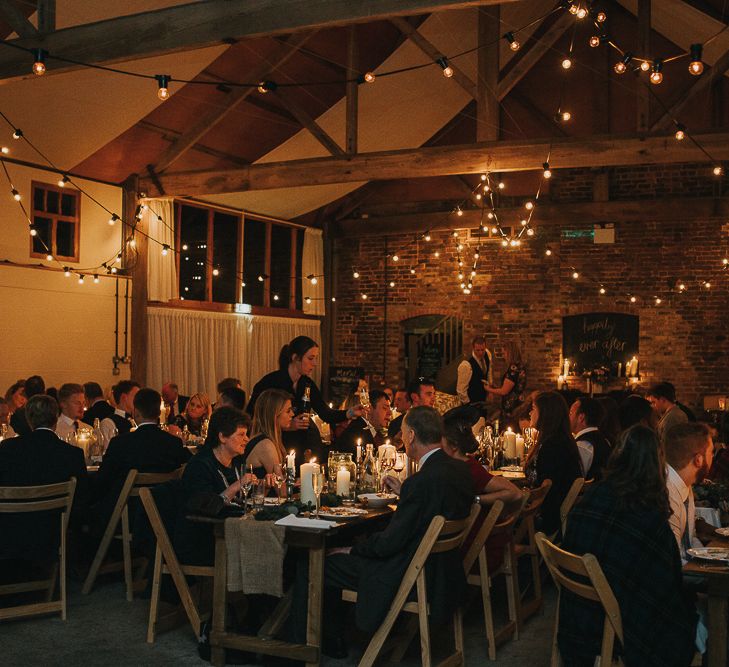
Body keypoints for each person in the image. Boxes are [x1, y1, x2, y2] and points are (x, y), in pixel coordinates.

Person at [292, 406, 474, 651]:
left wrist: (353, 549)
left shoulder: (422, 481)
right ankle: (334, 637)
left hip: (412, 573)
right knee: (339, 552)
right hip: (444, 570)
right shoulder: (460, 470)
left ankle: (304, 645)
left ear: (410, 436)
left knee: (314, 563)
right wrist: (406, 492)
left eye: (403, 434)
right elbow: (434, 503)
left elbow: (390, 543)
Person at [558, 425, 698, 667]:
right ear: (658, 466)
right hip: (614, 620)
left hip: (577, 613)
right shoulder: (647, 519)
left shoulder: (592, 496)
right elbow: (667, 585)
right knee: (686, 618)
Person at [247, 336, 364, 467]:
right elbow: (253, 417)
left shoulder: (307, 384)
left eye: (315, 358)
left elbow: (325, 412)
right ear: (295, 358)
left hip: (300, 446)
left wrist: (349, 412)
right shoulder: (271, 382)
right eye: (310, 358)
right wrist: (288, 425)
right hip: (274, 447)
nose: (314, 363)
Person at [0, 394, 89, 562]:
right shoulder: (72, 454)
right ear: (56, 418)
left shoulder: (7, 449)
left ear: (28, 419)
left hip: (11, 528)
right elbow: (81, 499)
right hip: (54, 530)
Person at [93, 388, 191, 530]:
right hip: (163, 514)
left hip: (126, 515)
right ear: (158, 413)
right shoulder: (173, 443)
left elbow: (103, 481)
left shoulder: (121, 444)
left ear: (136, 413)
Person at [175, 407, 260, 566]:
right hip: (204, 540)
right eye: (241, 434)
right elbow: (204, 507)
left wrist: (263, 488)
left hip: (229, 531)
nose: (247, 439)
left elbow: (242, 500)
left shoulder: (236, 462)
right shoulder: (200, 465)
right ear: (222, 437)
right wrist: (237, 485)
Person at [442, 414, 522, 568]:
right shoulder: (465, 464)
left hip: (478, 550)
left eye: (441, 441)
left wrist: (476, 499)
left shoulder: (468, 469)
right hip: (481, 544)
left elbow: (516, 493)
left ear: (453, 446)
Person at [524, 391, 582, 536]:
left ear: (545, 413)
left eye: (533, 409)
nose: (530, 413)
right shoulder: (559, 440)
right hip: (551, 513)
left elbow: (546, 490)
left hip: (544, 519)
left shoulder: (553, 446)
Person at [664, 422, 714, 564]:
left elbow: (690, 541)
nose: (713, 457)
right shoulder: (665, 492)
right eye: (711, 452)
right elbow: (671, 559)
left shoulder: (684, 484)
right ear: (698, 459)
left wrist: (711, 557)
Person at [243, 388, 293, 482]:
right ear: (274, 414)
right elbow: (281, 489)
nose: (292, 414)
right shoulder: (265, 445)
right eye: (288, 411)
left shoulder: (269, 440)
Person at [568, 396, 612, 481]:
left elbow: (575, 480)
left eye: (570, 413)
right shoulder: (604, 439)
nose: (568, 417)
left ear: (581, 417)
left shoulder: (583, 445)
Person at [484, 341, 527, 422]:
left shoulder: (513, 368)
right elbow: (512, 387)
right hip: (518, 403)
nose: (503, 356)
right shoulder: (520, 365)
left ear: (510, 353)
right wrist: (495, 387)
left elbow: (504, 391)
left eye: (504, 353)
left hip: (512, 406)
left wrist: (488, 389)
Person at [338, 389, 392, 454]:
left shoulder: (375, 432)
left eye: (390, 409)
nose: (390, 413)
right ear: (369, 408)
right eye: (385, 408)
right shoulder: (357, 431)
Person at [456, 335, 493, 405]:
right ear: (473, 348)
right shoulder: (466, 365)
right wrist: (469, 404)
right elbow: (461, 390)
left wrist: (490, 391)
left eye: (482, 350)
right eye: (478, 350)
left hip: (483, 398)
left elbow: (488, 373)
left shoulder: (487, 354)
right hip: (472, 401)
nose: (481, 353)